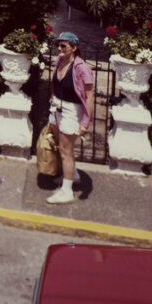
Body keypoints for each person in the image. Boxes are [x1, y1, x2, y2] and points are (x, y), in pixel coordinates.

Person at [46, 31, 95, 205]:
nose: (59, 48)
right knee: (61, 146)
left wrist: (85, 122)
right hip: (57, 107)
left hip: (72, 111)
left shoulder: (82, 68)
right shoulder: (59, 61)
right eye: (57, 45)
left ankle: (67, 192)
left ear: (74, 48)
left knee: (66, 151)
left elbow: (89, 97)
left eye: (63, 46)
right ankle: (72, 176)